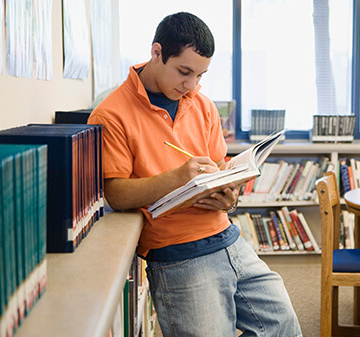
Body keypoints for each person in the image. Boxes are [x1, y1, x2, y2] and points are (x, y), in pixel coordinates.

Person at [88, 12, 302, 337]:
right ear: (156, 52)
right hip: (178, 253)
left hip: (229, 237)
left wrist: (230, 196)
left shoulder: (202, 105)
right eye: (184, 72)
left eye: (200, 75)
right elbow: (115, 194)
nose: (191, 86)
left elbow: (220, 168)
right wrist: (178, 177)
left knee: (284, 325)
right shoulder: (111, 113)